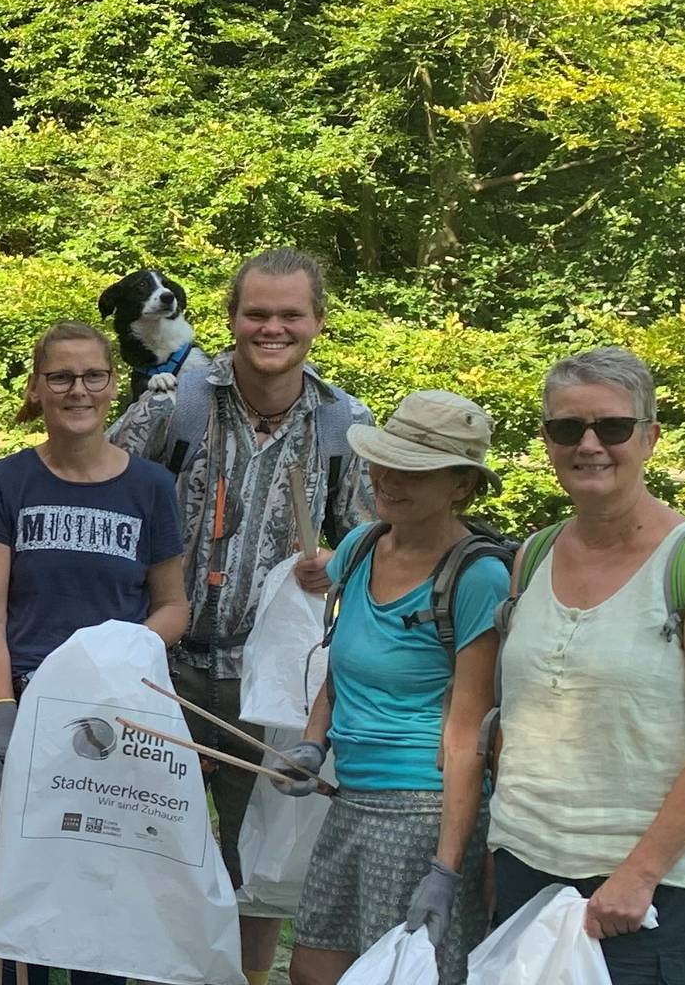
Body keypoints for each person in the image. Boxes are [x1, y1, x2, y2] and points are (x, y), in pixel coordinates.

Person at [108, 248, 374, 985]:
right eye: (257, 313)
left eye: (291, 314)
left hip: (274, 682)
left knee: (255, 866)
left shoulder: (343, 422)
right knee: (151, 842)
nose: (272, 328)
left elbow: (375, 542)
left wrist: (341, 564)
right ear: (230, 318)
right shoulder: (175, 403)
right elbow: (102, 492)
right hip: (165, 670)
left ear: (317, 321)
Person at [488, 348, 685, 985]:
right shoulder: (531, 555)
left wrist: (640, 874)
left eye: (611, 427)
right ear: (547, 440)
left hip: (646, 884)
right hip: (526, 859)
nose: (589, 445)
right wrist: (495, 847)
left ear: (649, 437)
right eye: (566, 428)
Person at [0, 322, 189, 985]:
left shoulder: (149, 487)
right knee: (21, 896)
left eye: (93, 375)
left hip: (112, 722)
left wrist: (119, 656)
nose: (78, 390)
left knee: (104, 891)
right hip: (25, 708)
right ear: (37, 388)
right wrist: (2, 716)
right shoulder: (7, 483)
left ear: (116, 386)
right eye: (60, 377)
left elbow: (173, 605)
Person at [278, 391, 513, 985]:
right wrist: (312, 744)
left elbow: (469, 734)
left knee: (396, 975)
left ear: (461, 485)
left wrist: (447, 868)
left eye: (414, 470)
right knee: (312, 969)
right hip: (350, 798)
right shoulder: (359, 547)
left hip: (423, 809)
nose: (387, 478)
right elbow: (340, 664)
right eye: (385, 461)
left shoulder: (478, 575)